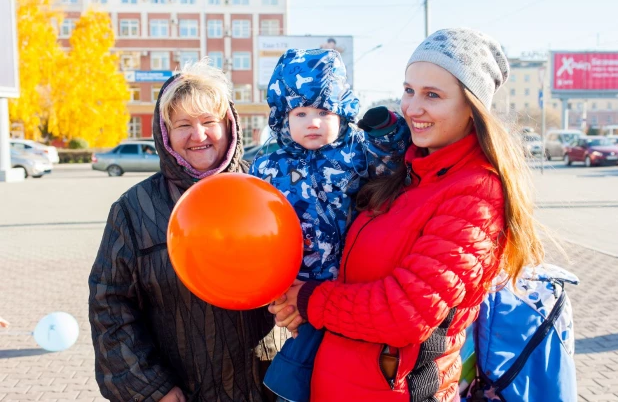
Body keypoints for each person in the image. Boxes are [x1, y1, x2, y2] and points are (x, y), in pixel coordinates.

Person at [270, 28, 545, 401]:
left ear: (472, 106)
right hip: (337, 383)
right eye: (409, 90)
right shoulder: (406, 173)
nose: (413, 108)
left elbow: (405, 313)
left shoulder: (476, 193)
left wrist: (309, 300)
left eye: (433, 95)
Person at [88, 59, 278, 402]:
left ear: (229, 126)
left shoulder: (268, 190)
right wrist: (152, 388)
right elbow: (110, 306)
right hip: (186, 391)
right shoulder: (135, 210)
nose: (199, 135)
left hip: (270, 385)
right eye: (183, 124)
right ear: (165, 134)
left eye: (209, 121)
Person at [249, 48, 409, 402]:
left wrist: (387, 133)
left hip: (346, 285)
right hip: (292, 283)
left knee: (335, 365)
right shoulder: (267, 166)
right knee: (293, 362)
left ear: (343, 112)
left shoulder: (355, 153)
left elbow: (390, 166)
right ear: (283, 116)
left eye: (324, 111)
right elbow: (252, 224)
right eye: (301, 112)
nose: (314, 122)